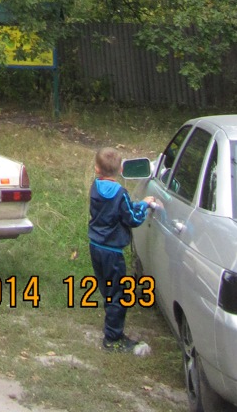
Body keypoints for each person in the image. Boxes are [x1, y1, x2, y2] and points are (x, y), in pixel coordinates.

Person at [88, 146, 161, 352]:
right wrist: (144, 205)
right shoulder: (120, 194)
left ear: (96, 169)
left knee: (107, 290)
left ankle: (112, 325)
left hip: (95, 246)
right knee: (118, 294)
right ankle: (113, 339)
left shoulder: (95, 187)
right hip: (113, 251)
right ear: (121, 169)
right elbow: (132, 218)